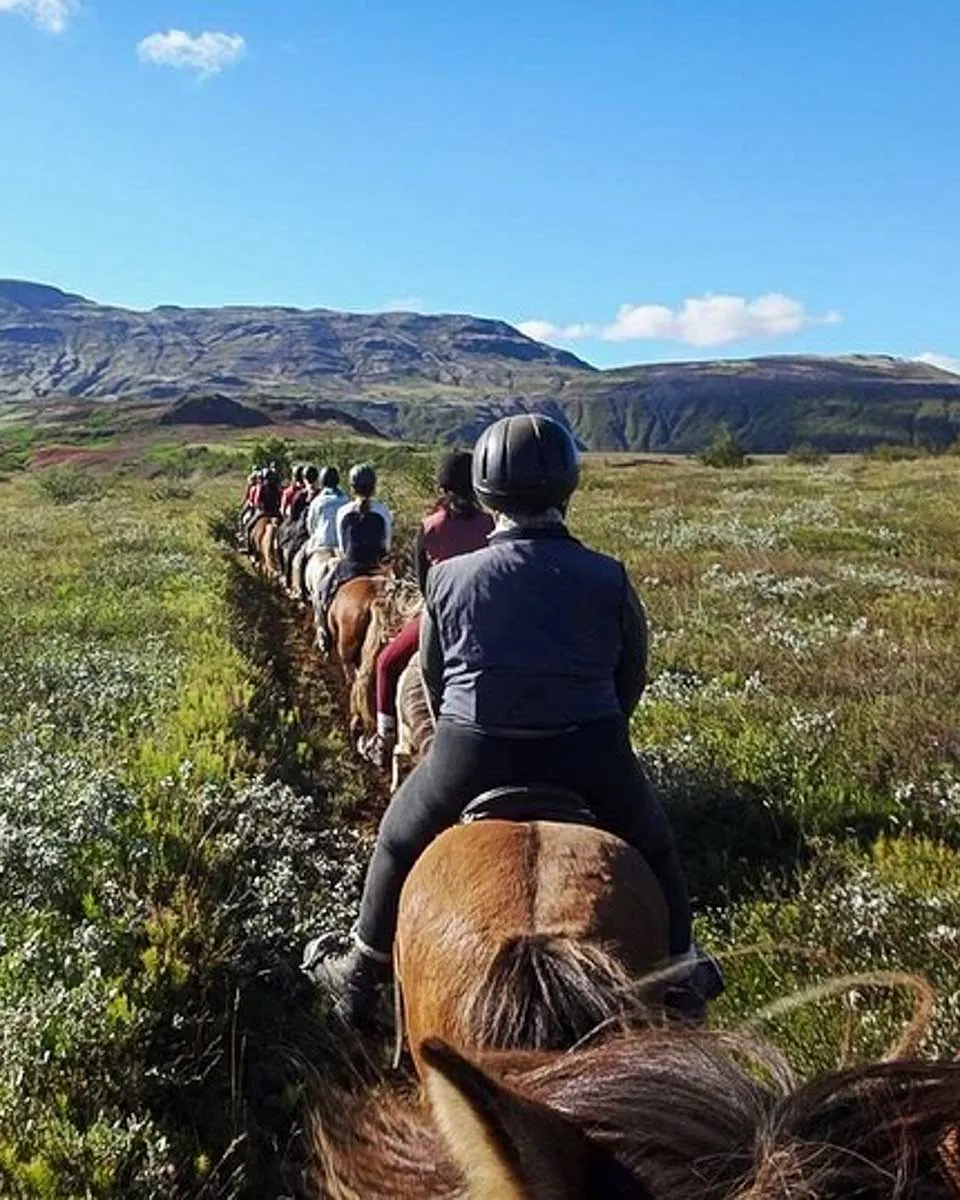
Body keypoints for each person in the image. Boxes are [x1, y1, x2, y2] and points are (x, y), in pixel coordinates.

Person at [305, 414, 719, 1022]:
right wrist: (598, 730)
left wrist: (469, 724)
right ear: (567, 489)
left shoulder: (448, 577)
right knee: (656, 844)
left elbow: (437, 676)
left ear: (487, 491)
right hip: (590, 750)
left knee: (396, 836)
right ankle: (682, 970)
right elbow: (630, 673)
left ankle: (363, 970)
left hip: (473, 751)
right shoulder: (609, 576)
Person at [358, 449, 494, 769]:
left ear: (442, 486)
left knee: (386, 663)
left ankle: (384, 737)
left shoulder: (430, 526)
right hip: (487, 619)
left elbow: (424, 585)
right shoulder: (490, 523)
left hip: (440, 616)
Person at [314, 463, 392, 650]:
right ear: (374, 486)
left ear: (351, 486)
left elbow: (342, 546)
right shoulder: (383, 511)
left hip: (350, 567)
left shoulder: (343, 512)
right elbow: (386, 544)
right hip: (377, 566)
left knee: (321, 592)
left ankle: (323, 632)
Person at [291, 465, 348, 602]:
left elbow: (311, 525)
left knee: (298, 560)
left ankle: (300, 591)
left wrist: (314, 536)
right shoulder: (346, 499)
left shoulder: (317, 502)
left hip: (321, 543)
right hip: (342, 546)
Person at [277, 464, 319, 588]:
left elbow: (293, 516)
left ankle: (288, 581)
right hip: (318, 531)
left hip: (304, 531)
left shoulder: (299, 495)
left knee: (290, 553)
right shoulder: (321, 494)